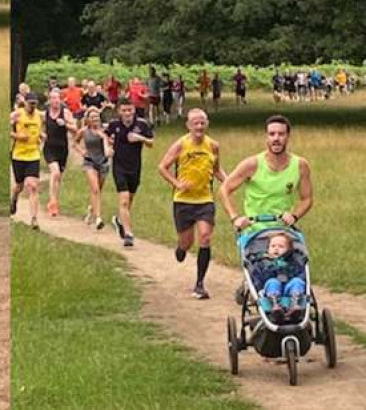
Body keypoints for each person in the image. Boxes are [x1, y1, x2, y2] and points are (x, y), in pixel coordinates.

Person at [157, 108, 227, 299]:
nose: (199, 125)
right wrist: (177, 183)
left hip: (205, 200)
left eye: (202, 122)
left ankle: (199, 284)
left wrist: (229, 182)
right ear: (188, 125)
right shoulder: (181, 144)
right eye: (195, 122)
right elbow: (162, 167)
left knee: (205, 236)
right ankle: (181, 248)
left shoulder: (213, 146)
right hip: (183, 201)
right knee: (187, 243)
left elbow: (217, 170)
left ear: (207, 124)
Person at [218, 114, 313, 236]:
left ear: (288, 136)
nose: (276, 138)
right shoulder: (251, 164)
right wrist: (235, 218)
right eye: (272, 134)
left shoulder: (301, 165)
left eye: (281, 134)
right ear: (266, 137)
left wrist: (294, 216)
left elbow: (307, 198)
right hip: (255, 232)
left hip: (284, 232)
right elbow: (224, 189)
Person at [106, 98, 154, 247]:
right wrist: (108, 147)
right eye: (124, 110)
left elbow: (151, 143)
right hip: (119, 166)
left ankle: (120, 221)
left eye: (130, 110)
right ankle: (128, 234)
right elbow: (104, 135)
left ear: (134, 110)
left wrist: (139, 138)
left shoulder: (142, 124)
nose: (127, 113)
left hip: (135, 167)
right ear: (119, 111)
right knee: (124, 200)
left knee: (130, 199)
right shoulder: (114, 124)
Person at [252, 232, 306, 320]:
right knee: (272, 282)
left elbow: (302, 274)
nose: (276, 249)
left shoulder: (294, 261)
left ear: (289, 250)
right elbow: (257, 277)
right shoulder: (262, 262)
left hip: (290, 291)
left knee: (297, 281)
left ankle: (295, 305)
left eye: (281, 246)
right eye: (273, 246)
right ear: (268, 248)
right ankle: (275, 306)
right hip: (270, 292)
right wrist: (258, 289)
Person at [72, 107, 110, 230]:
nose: (95, 119)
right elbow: (75, 143)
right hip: (90, 163)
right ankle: (98, 218)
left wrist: (104, 137)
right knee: (95, 190)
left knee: (98, 190)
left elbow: (110, 145)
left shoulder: (104, 131)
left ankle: (91, 209)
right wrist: (82, 152)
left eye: (97, 117)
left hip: (103, 163)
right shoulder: (83, 131)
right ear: (88, 119)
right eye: (92, 117)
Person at [42, 90, 77, 217]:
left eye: (57, 98)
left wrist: (66, 125)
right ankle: (52, 202)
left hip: (62, 149)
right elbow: (39, 128)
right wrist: (42, 135)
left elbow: (75, 130)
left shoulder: (65, 113)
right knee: (55, 173)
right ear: (49, 101)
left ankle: (54, 201)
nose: (56, 101)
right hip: (49, 148)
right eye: (53, 98)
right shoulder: (45, 114)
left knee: (58, 178)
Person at [10, 98, 44, 229]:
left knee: (33, 186)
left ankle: (34, 219)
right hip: (18, 155)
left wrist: (41, 135)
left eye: (35, 104)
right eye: (30, 104)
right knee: (19, 186)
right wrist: (17, 136)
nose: (33, 106)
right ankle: (14, 198)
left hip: (33, 155)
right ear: (25, 103)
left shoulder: (39, 115)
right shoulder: (17, 114)